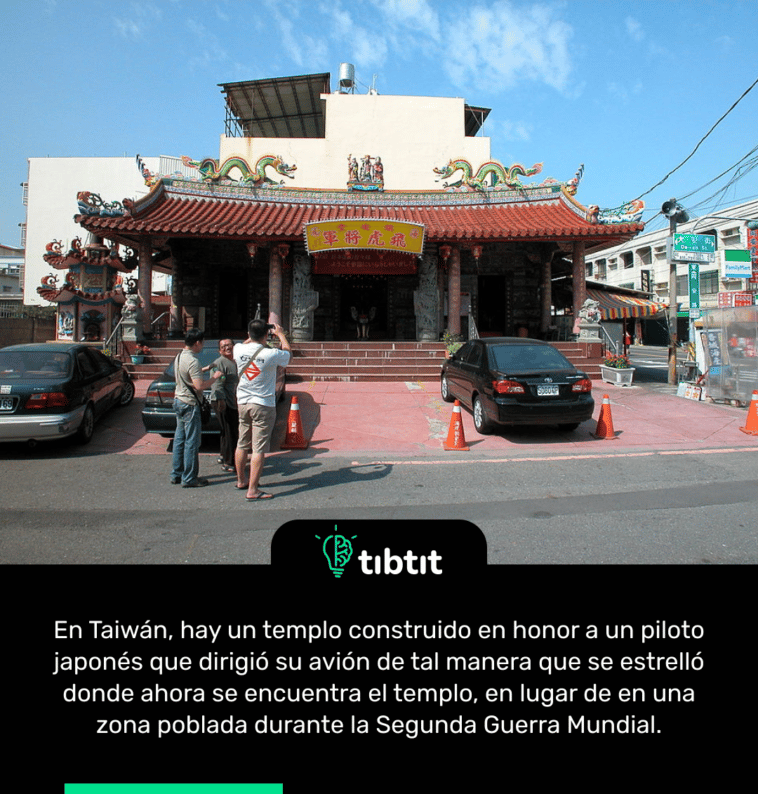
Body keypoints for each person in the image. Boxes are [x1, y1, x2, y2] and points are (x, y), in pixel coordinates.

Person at [234, 320, 291, 501]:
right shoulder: (271, 354)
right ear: (266, 335)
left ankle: (241, 480)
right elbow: (288, 355)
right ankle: (252, 490)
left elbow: (246, 342)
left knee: (242, 443)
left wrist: (255, 334)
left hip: (243, 402)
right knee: (258, 448)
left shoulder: (238, 349)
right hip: (263, 404)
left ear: (249, 334)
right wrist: (280, 334)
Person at [171, 328, 216, 488]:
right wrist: (215, 378)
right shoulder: (193, 361)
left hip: (178, 401)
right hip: (190, 404)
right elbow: (199, 386)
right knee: (192, 442)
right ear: (197, 343)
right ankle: (189, 478)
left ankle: (176, 473)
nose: (202, 346)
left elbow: (187, 374)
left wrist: (204, 369)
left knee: (179, 439)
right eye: (202, 343)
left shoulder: (179, 356)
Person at [202, 339, 238, 472]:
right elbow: (217, 384)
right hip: (222, 401)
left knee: (226, 430)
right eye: (223, 346)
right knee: (230, 432)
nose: (227, 347)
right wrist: (221, 401)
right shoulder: (220, 363)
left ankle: (224, 455)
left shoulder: (234, 361)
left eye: (229, 345)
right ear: (220, 350)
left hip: (230, 401)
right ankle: (229, 462)